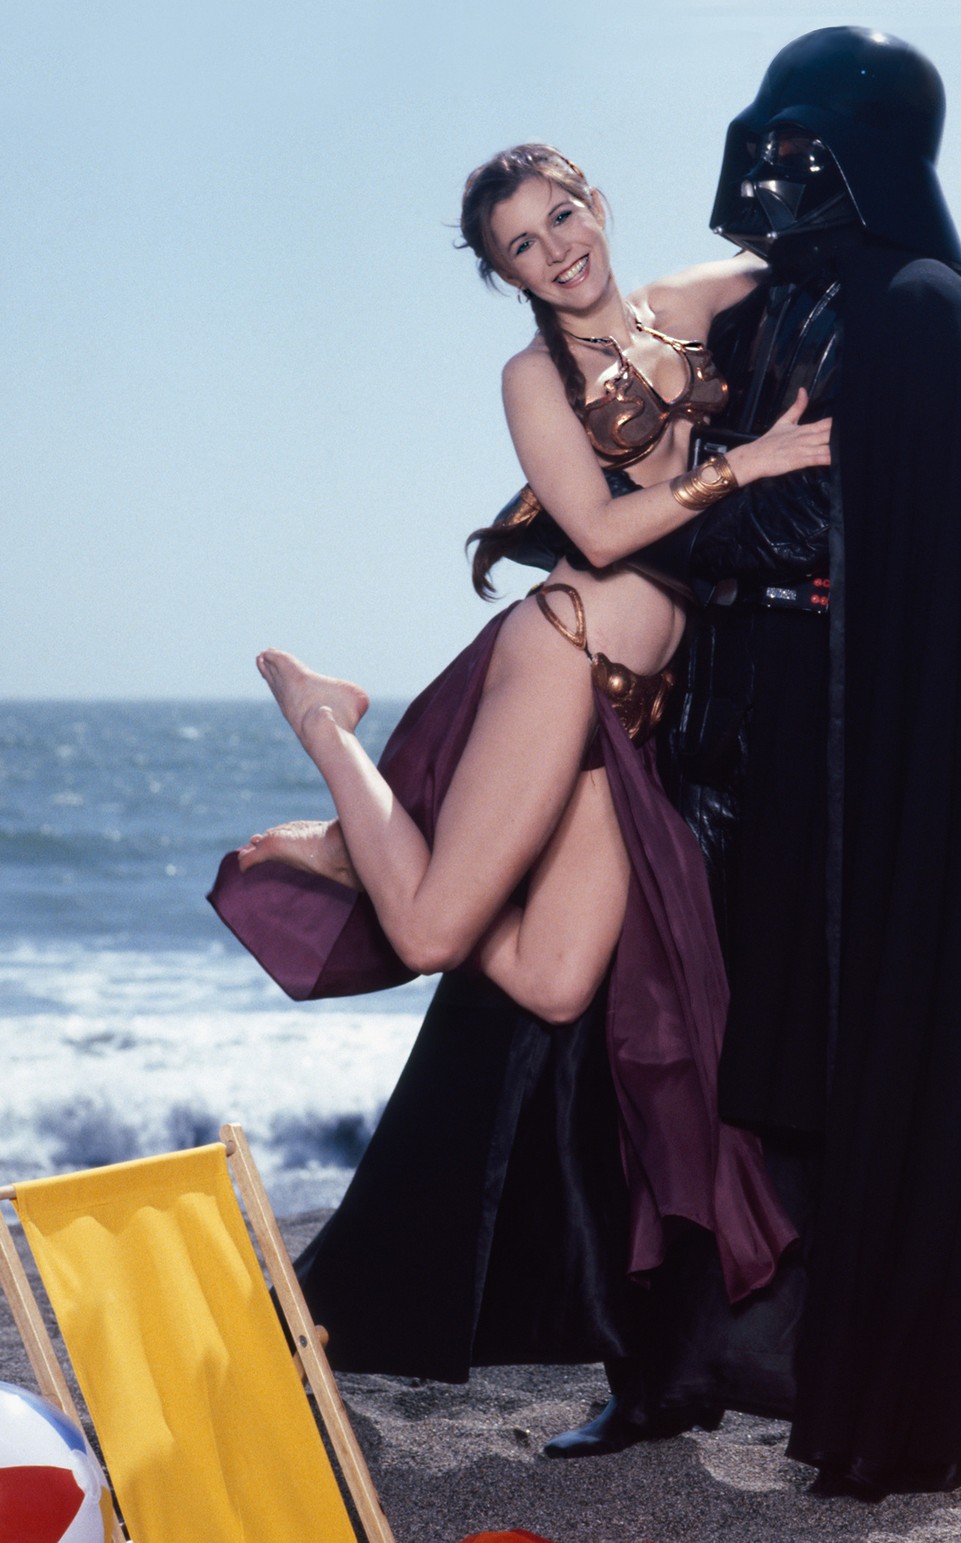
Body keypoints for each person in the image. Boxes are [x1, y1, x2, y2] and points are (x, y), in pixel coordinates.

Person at [208, 143, 829, 1381]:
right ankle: (326, 724)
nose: (557, 251)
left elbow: (794, 267)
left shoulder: (685, 302)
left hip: (641, 706)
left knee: (552, 984)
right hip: (566, 648)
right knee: (436, 935)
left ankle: (358, 857)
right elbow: (597, 528)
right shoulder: (531, 378)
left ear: (595, 198)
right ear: (506, 276)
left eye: (561, 217)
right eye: (523, 249)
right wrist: (743, 463)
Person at [516, 29, 961, 1497]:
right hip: (716, 717)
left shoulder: (929, 321)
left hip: (841, 749)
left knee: (812, 1052)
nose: (765, 171)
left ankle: (840, 1378)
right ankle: (663, 1368)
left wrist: (663, 514)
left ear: (865, 157)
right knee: (659, 1036)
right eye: (761, 137)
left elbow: (817, 536)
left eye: (802, 144)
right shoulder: (756, 319)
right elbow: (626, 454)